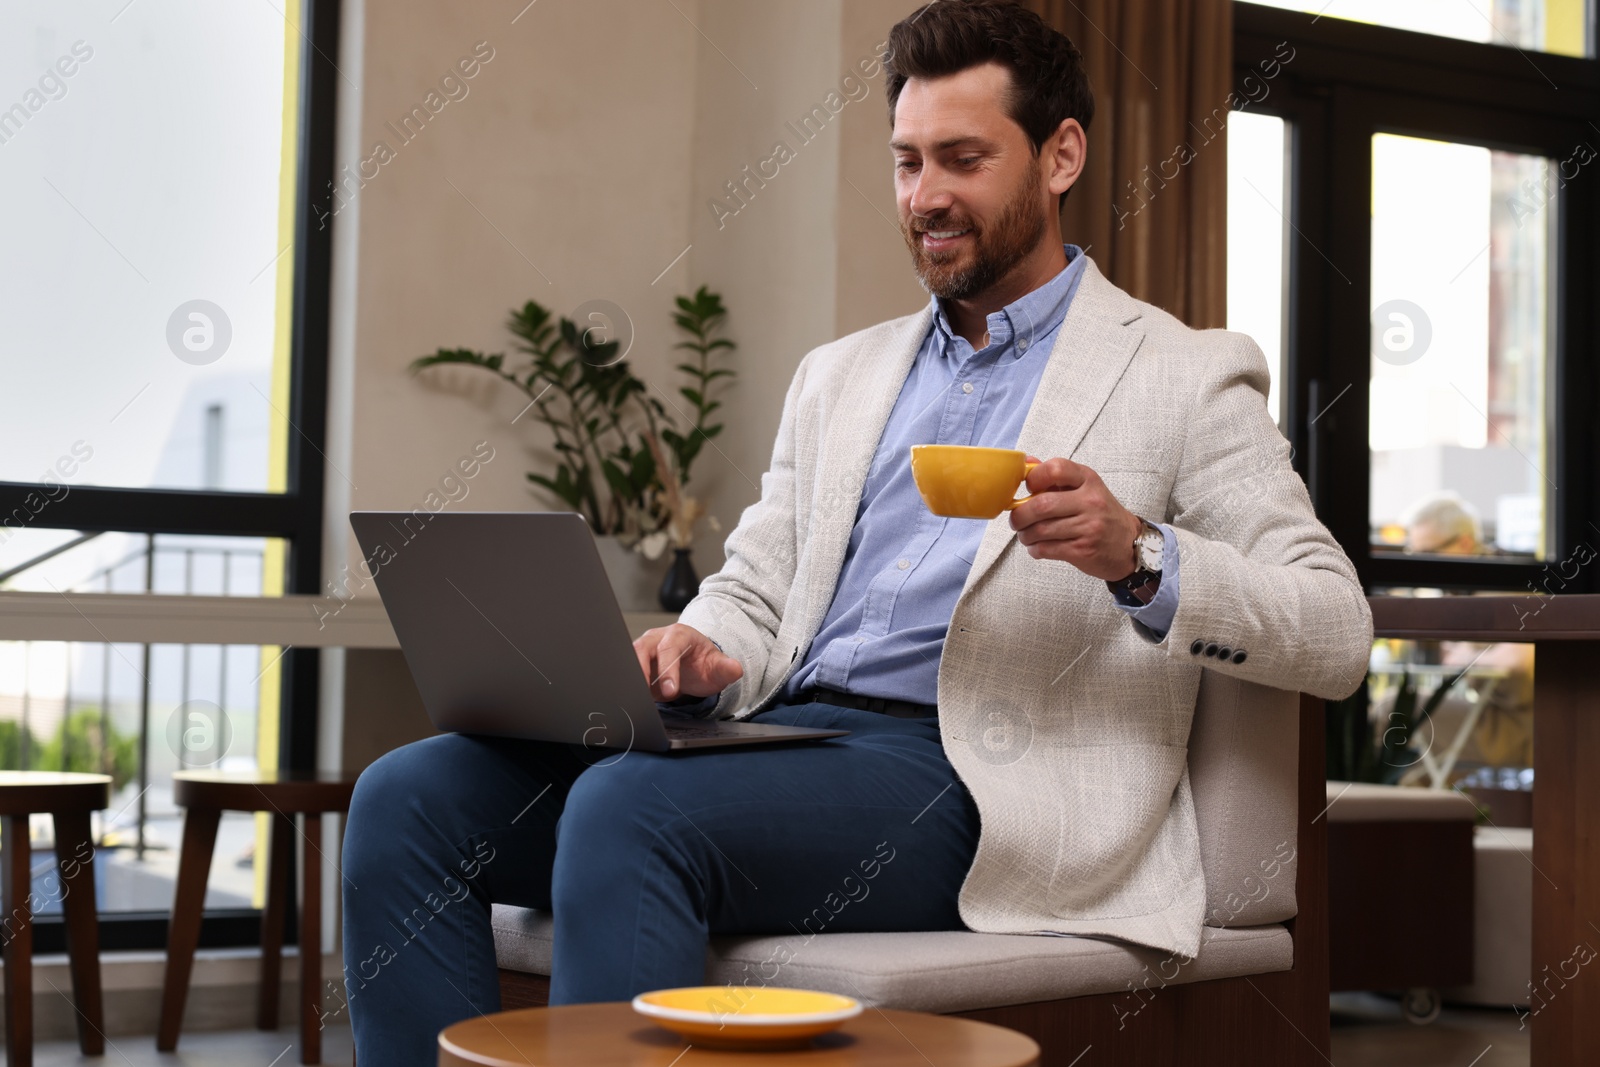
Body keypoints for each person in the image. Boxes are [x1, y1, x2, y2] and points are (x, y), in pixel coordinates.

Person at [341, 2, 1372, 1061]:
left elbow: (1334, 627)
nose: (924, 197)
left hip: (973, 784)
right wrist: (701, 642)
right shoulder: (840, 376)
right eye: (906, 162)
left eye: (962, 159)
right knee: (407, 797)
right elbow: (753, 583)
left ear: (1061, 155)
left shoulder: (1183, 374)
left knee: (629, 805)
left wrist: (1138, 555)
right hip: (783, 738)